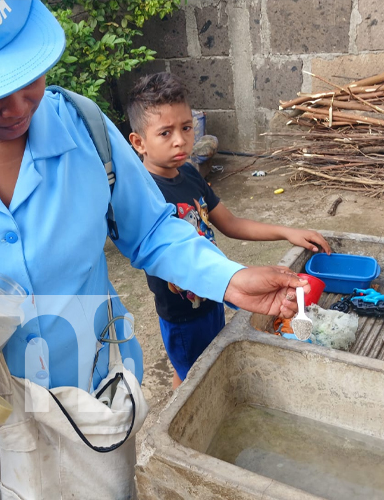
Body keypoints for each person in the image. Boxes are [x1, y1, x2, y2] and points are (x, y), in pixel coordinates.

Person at [0, 2, 306, 498]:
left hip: (95, 405)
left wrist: (229, 279)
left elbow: (150, 229)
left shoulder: (83, 129)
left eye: (29, 77)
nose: (19, 107)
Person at [127, 72, 331, 389]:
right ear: (138, 142)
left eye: (185, 127)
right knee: (193, 375)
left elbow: (231, 223)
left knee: (205, 360)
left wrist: (287, 231)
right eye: (165, 133)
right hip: (182, 314)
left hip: (215, 294)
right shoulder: (144, 195)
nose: (180, 140)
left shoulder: (191, 176)